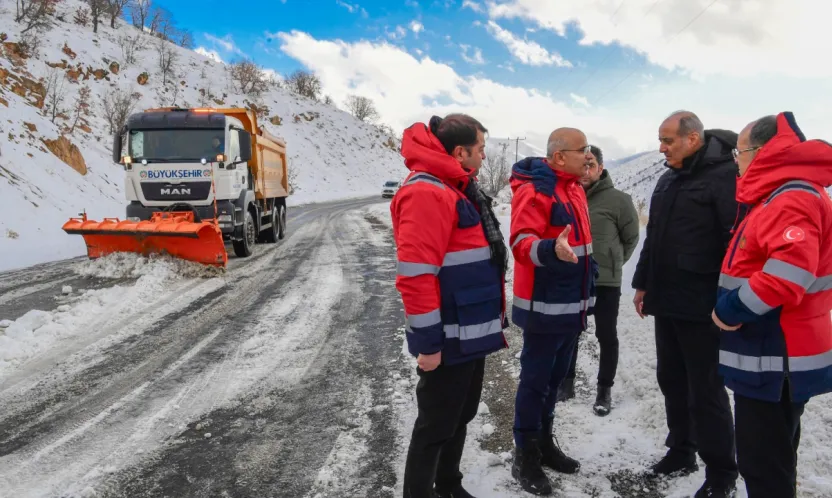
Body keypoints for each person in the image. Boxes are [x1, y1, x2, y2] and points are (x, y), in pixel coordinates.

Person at [711, 112, 832, 498]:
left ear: (763, 152)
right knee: (775, 458)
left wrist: (727, 310)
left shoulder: (790, 198)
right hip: (774, 355)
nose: (737, 160)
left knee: (763, 466)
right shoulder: (780, 195)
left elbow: (785, 278)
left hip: (775, 356)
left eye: (740, 152)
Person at [392, 113, 510, 498]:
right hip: (447, 334)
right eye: (481, 149)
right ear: (460, 152)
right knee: (435, 426)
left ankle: (449, 485)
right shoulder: (428, 192)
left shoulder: (456, 187)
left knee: (460, 415)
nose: (485, 157)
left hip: (469, 329)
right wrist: (428, 344)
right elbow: (416, 275)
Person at [631, 110, 739, 497]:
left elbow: (736, 246)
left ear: (692, 139)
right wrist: (642, 283)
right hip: (667, 300)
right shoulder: (667, 178)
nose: (661, 148)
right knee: (672, 381)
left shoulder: (726, 177)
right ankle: (681, 451)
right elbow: (654, 237)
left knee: (706, 390)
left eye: (668, 140)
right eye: (660, 140)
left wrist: (730, 302)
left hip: (703, 305)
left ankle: (722, 471)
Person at [509, 128, 597, 496]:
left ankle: (544, 443)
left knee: (555, 382)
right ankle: (524, 454)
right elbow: (520, 242)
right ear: (559, 157)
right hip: (544, 310)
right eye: (583, 151)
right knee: (535, 382)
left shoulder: (574, 188)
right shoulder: (536, 190)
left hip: (571, 308)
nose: (589, 157)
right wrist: (548, 250)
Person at [558, 145, 640, 415]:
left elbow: (630, 239)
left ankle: (604, 390)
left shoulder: (619, 200)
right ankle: (566, 383)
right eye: (582, 164)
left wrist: (613, 262)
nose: (586, 169)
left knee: (606, 334)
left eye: (591, 164)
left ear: (601, 168)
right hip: (574, 278)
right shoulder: (568, 197)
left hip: (606, 281)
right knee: (570, 332)